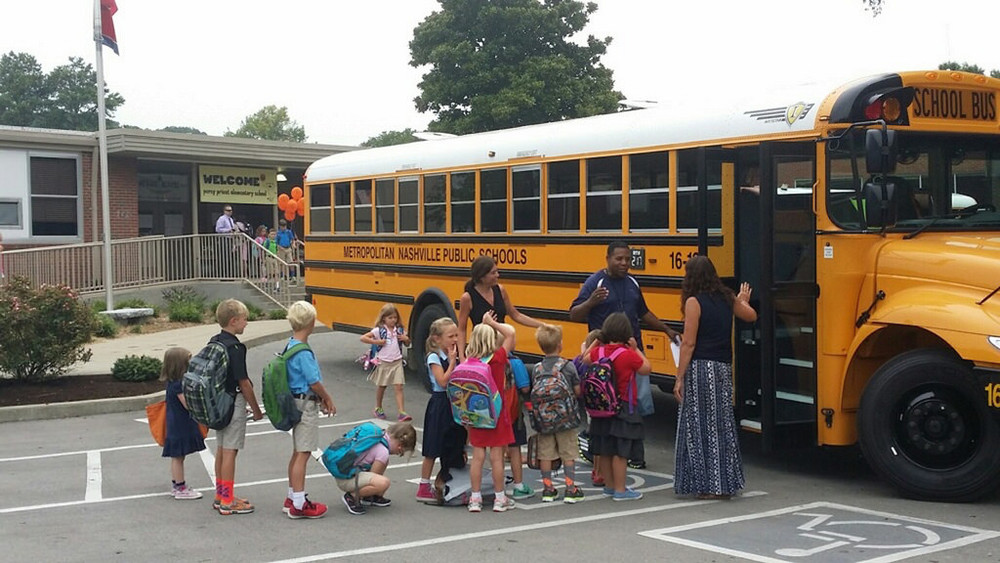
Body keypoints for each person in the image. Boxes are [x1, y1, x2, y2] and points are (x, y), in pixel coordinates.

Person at [569, 240, 679, 469]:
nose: (624, 263)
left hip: (630, 351)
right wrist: (591, 302)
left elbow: (644, 312)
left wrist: (666, 329)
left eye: (627, 259)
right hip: (605, 358)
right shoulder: (595, 282)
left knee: (634, 405)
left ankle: (633, 453)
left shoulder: (632, 282)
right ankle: (595, 445)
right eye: (619, 259)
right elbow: (574, 314)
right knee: (606, 402)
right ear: (608, 259)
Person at [673, 256, 757, 500]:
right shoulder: (727, 297)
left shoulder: (693, 302)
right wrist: (743, 300)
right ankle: (724, 483)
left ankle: (707, 485)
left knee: (699, 427)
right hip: (722, 368)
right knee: (721, 424)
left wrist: (679, 377)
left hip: (700, 368)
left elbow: (688, 343)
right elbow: (751, 316)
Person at [582, 312, 650, 501]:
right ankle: (621, 490)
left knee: (605, 448)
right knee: (621, 451)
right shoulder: (627, 355)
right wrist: (636, 349)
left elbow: (584, 358)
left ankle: (610, 486)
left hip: (601, 408)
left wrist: (597, 342)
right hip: (623, 407)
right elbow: (646, 368)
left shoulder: (598, 352)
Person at [282, 301, 336, 519]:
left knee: (297, 452)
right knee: (304, 453)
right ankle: (298, 503)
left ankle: (292, 496)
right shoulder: (303, 351)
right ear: (310, 322)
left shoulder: (291, 344)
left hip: (295, 402)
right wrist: (327, 398)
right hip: (305, 404)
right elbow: (313, 381)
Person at [211, 299, 264, 515]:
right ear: (233, 321)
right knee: (231, 451)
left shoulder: (215, 341)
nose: (246, 323)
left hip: (218, 402)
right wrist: (256, 409)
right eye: (244, 319)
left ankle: (221, 494)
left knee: (221, 449)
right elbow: (244, 382)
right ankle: (227, 501)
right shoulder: (235, 347)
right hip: (234, 401)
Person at [464, 315, 516, 513]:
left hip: (476, 414)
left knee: (477, 457)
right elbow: (510, 333)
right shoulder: (498, 358)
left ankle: (475, 498)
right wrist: (492, 322)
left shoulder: (470, 361)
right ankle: (499, 498)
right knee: (496, 458)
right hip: (496, 413)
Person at [531, 323, 585, 504]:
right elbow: (577, 391)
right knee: (568, 454)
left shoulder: (537, 368)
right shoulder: (567, 366)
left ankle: (548, 489)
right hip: (565, 420)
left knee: (546, 455)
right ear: (560, 345)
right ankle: (570, 489)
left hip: (544, 421)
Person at [416, 317, 466, 503]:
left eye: (456, 335)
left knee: (454, 443)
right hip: (440, 403)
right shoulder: (434, 357)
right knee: (433, 445)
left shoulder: (455, 353)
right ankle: (423, 485)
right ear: (437, 339)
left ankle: (446, 479)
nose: (455, 339)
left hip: (455, 402)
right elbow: (443, 381)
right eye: (450, 336)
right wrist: (452, 362)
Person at [457, 255, 542, 361]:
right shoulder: (468, 298)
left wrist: (541, 325)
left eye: (497, 271)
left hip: (503, 346)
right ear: (482, 277)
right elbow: (462, 329)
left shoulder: (500, 290)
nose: (497, 275)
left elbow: (516, 315)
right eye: (493, 273)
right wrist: (461, 356)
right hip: (483, 350)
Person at [337, 422, 418, 515]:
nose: (398, 454)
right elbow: (373, 475)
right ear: (400, 447)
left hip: (342, 473)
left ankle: (369, 496)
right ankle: (352, 496)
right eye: (401, 452)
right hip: (346, 480)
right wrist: (377, 488)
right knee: (383, 483)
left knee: (382, 469)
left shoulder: (378, 438)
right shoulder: (383, 451)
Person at [159, 347, 205, 500]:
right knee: (178, 457)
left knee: (178, 456)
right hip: (180, 425)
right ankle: (180, 488)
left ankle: (177, 485)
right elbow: (187, 404)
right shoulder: (178, 385)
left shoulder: (172, 383)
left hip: (176, 424)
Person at [360, 304, 412, 422]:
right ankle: (378, 407)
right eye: (390, 318)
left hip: (397, 361)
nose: (393, 320)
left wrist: (406, 339)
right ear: (384, 318)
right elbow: (363, 338)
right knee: (382, 386)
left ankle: (402, 412)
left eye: (395, 318)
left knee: (399, 386)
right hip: (384, 362)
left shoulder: (399, 330)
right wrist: (377, 342)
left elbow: (407, 343)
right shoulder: (379, 330)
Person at [574, 329, 604, 487]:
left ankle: (596, 470)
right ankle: (600, 471)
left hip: (588, 403)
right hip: (603, 405)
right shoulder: (602, 361)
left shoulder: (580, 360)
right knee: (601, 438)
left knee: (594, 432)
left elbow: (578, 363)